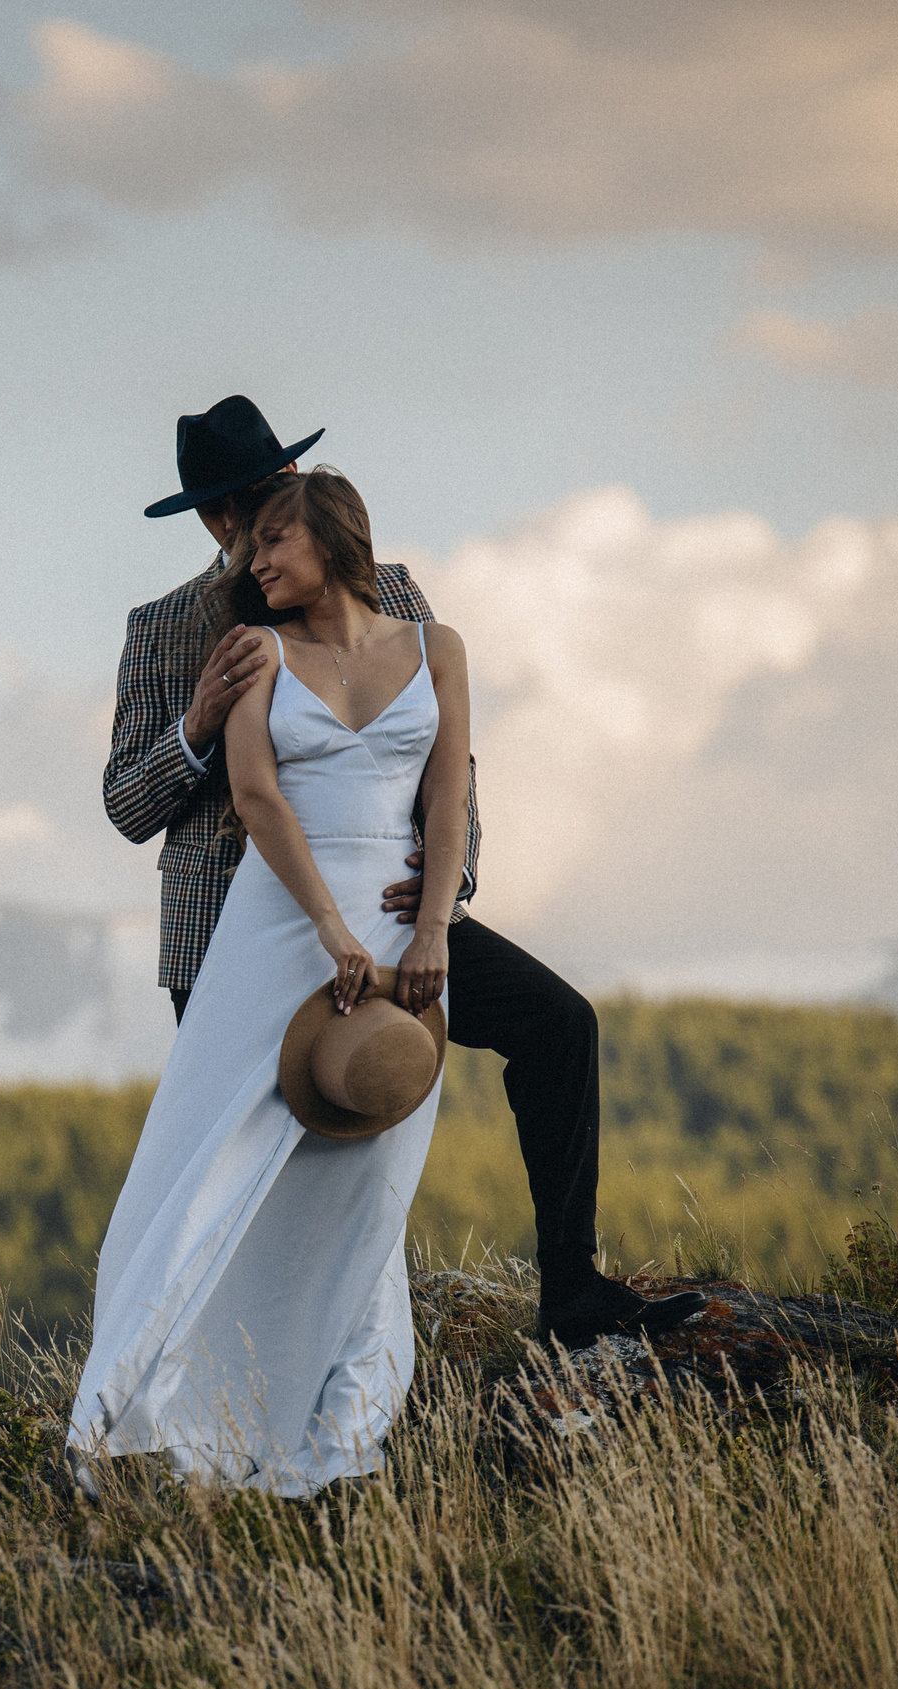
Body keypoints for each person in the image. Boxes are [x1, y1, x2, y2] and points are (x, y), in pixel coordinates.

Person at [97, 397, 703, 1354]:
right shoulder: (167, 626)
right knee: (254, 1182)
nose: (244, 526)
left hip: (394, 910)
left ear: (296, 484)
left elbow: (444, 757)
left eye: (262, 496)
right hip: (232, 938)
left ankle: (572, 1290)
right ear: (208, 517)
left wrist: (442, 889)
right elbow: (128, 804)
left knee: (558, 1025)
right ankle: (219, 1368)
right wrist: (197, 724)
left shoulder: (397, 594)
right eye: (223, 510)